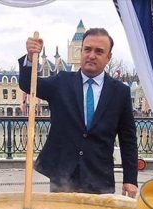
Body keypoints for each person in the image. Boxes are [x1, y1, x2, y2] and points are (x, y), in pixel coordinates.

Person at [19, 28, 138, 197]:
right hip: (63, 177)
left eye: (99, 51)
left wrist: (130, 179)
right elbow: (27, 84)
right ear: (81, 51)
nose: (91, 55)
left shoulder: (120, 92)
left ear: (108, 57)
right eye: (87, 49)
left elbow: (128, 139)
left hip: (100, 178)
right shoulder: (61, 82)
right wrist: (31, 59)